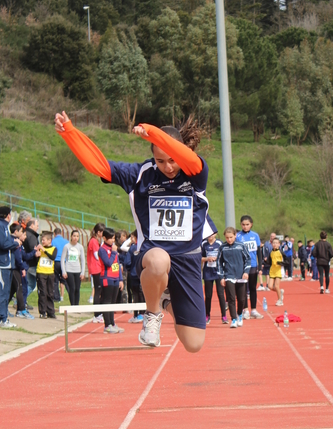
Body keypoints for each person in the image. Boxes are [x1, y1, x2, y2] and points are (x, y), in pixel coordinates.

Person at [56, 110, 214, 353]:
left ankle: (165, 300)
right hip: (153, 256)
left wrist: (151, 131)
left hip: (188, 260)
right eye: (160, 161)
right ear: (152, 156)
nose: (168, 167)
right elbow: (99, 165)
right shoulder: (140, 175)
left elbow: (186, 157)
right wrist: (70, 133)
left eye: (172, 160)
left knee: (194, 344)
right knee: (160, 260)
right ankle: (152, 314)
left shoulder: (195, 172)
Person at [0, 206, 21, 328]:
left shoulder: (5, 227)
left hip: (7, 264)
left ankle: (4, 317)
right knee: (1, 291)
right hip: (1, 264)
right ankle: (0, 318)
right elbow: (2, 243)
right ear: (8, 215)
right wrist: (15, 243)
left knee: (6, 291)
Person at [217, 226, 251, 328]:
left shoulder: (241, 246)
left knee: (241, 299)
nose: (229, 239)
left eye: (231, 237)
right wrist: (221, 277)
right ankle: (234, 319)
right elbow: (219, 263)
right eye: (227, 238)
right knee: (231, 298)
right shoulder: (222, 248)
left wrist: (246, 272)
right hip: (229, 275)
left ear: (235, 236)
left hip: (241, 276)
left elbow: (248, 260)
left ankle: (239, 314)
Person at [236, 215, 264, 320]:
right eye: (243, 224)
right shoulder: (238, 236)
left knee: (252, 288)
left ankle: (253, 309)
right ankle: (245, 310)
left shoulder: (255, 235)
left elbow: (258, 252)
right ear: (241, 225)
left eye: (247, 224)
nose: (245, 226)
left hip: (253, 265)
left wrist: (260, 266)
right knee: (243, 289)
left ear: (251, 224)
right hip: (242, 266)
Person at [97, 226, 124, 333]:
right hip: (106, 277)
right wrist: (113, 253)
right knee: (107, 301)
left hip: (116, 278)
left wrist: (120, 279)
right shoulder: (102, 250)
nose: (113, 240)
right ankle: (107, 325)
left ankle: (112, 323)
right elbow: (108, 263)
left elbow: (117, 264)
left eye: (113, 238)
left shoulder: (114, 249)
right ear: (104, 238)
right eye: (111, 238)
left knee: (113, 301)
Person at [9, 223, 37, 319]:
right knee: (20, 289)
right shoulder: (15, 243)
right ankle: (21, 310)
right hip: (16, 269)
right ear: (17, 233)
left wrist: (34, 252)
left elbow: (24, 256)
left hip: (19, 268)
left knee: (14, 290)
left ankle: (6, 308)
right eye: (23, 233)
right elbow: (18, 258)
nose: (24, 236)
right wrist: (22, 268)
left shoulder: (20, 245)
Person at [201, 232, 228, 325]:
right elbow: (199, 257)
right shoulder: (203, 244)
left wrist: (217, 258)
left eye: (212, 234)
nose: (210, 236)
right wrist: (207, 259)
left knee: (221, 294)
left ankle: (224, 316)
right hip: (208, 272)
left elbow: (224, 257)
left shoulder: (220, 244)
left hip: (218, 272)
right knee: (208, 295)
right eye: (208, 234)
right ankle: (207, 315)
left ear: (216, 234)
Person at [123, 231, 144, 323]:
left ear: (135, 237)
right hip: (143, 274)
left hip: (134, 274)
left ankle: (136, 314)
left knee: (135, 294)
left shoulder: (132, 248)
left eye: (132, 237)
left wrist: (130, 268)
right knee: (142, 294)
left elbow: (127, 262)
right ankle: (143, 314)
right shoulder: (144, 247)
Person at [61, 230, 85, 306]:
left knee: (77, 289)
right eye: (74, 236)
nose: (75, 238)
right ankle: (73, 305)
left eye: (77, 236)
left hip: (77, 270)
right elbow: (62, 259)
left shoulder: (80, 247)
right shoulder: (66, 246)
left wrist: (82, 272)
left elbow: (83, 260)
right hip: (69, 270)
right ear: (71, 236)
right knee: (72, 288)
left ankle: (77, 305)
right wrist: (64, 271)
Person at [36, 231, 57, 319]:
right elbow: (36, 257)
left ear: (49, 240)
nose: (42, 242)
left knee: (50, 293)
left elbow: (52, 257)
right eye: (42, 240)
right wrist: (37, 253)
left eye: (44, 240)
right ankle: (42, 312)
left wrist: (44, 250)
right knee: (43, 292)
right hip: (41, 272)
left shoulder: (53, 249)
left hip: (50, 273)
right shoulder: (40, 248)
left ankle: (51, 311)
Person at [87, 223, 104, 321]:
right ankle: (97, 314)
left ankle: (98, 313)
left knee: (99, 290)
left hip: (97, 268)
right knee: (98, 290)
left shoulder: (96, 241)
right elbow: (97, 255)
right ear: (99, 232)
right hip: (96, 268)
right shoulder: (93, 241)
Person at [24, 218, 40, 305]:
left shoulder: (26, 233)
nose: (38, 227)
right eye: (37, 226)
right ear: (32, 225)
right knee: (34, 285)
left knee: (30, 284)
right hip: (32, 264)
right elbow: (33, 249)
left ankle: (21, 300)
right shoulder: (32, 236)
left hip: (28, 263)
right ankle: (21, 300)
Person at [51, 227, 69, 302]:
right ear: (61, 233)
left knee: (55, 280)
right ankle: (71, 294)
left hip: (56, 261)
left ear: (54, 234)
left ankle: (56, 297)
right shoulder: (66, 241)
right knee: (66, 280)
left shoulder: (53, 241)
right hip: (64, 262)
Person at [268, 236, 284, 306]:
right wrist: (264, 262)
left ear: (279, 244)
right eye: (273, 243)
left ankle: (280, 300)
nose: (274, 244)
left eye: (276, 243)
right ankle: (280, 292)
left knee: (276, 286)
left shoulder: (281, 252)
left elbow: (287, 261)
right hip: (272, 271)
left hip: (278, 270)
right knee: (270, 286)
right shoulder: (271, 252)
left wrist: (280, 263)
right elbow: (269, 261)